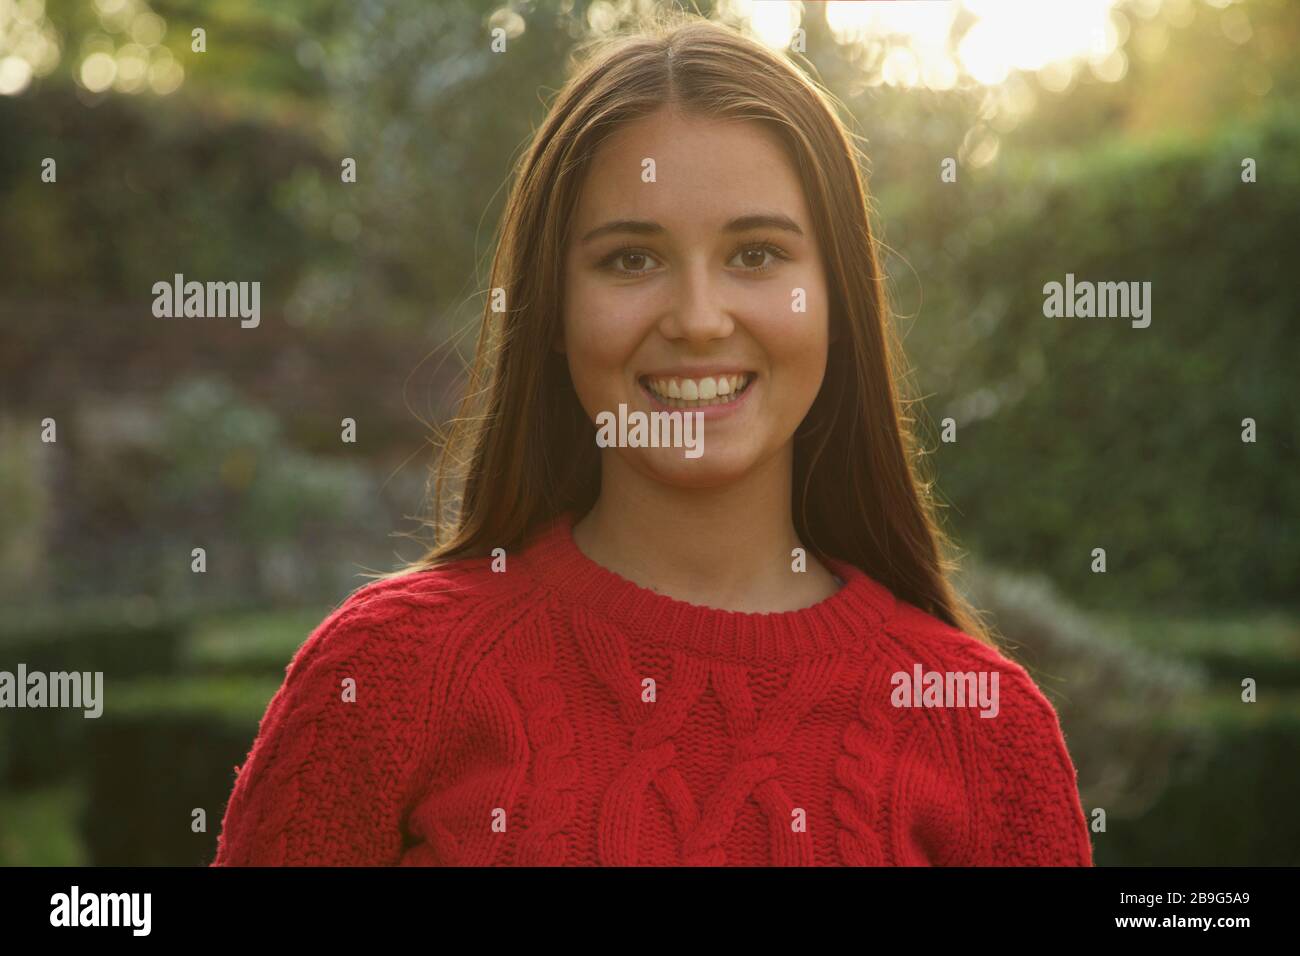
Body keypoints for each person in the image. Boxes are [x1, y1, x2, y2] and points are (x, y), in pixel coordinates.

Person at [211, 13, 1092, 867]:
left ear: (837, 305)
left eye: (756, 255)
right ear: (552, 308)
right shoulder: (386, 679)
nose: (699, 321)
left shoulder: (986, 728)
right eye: (631, 259)